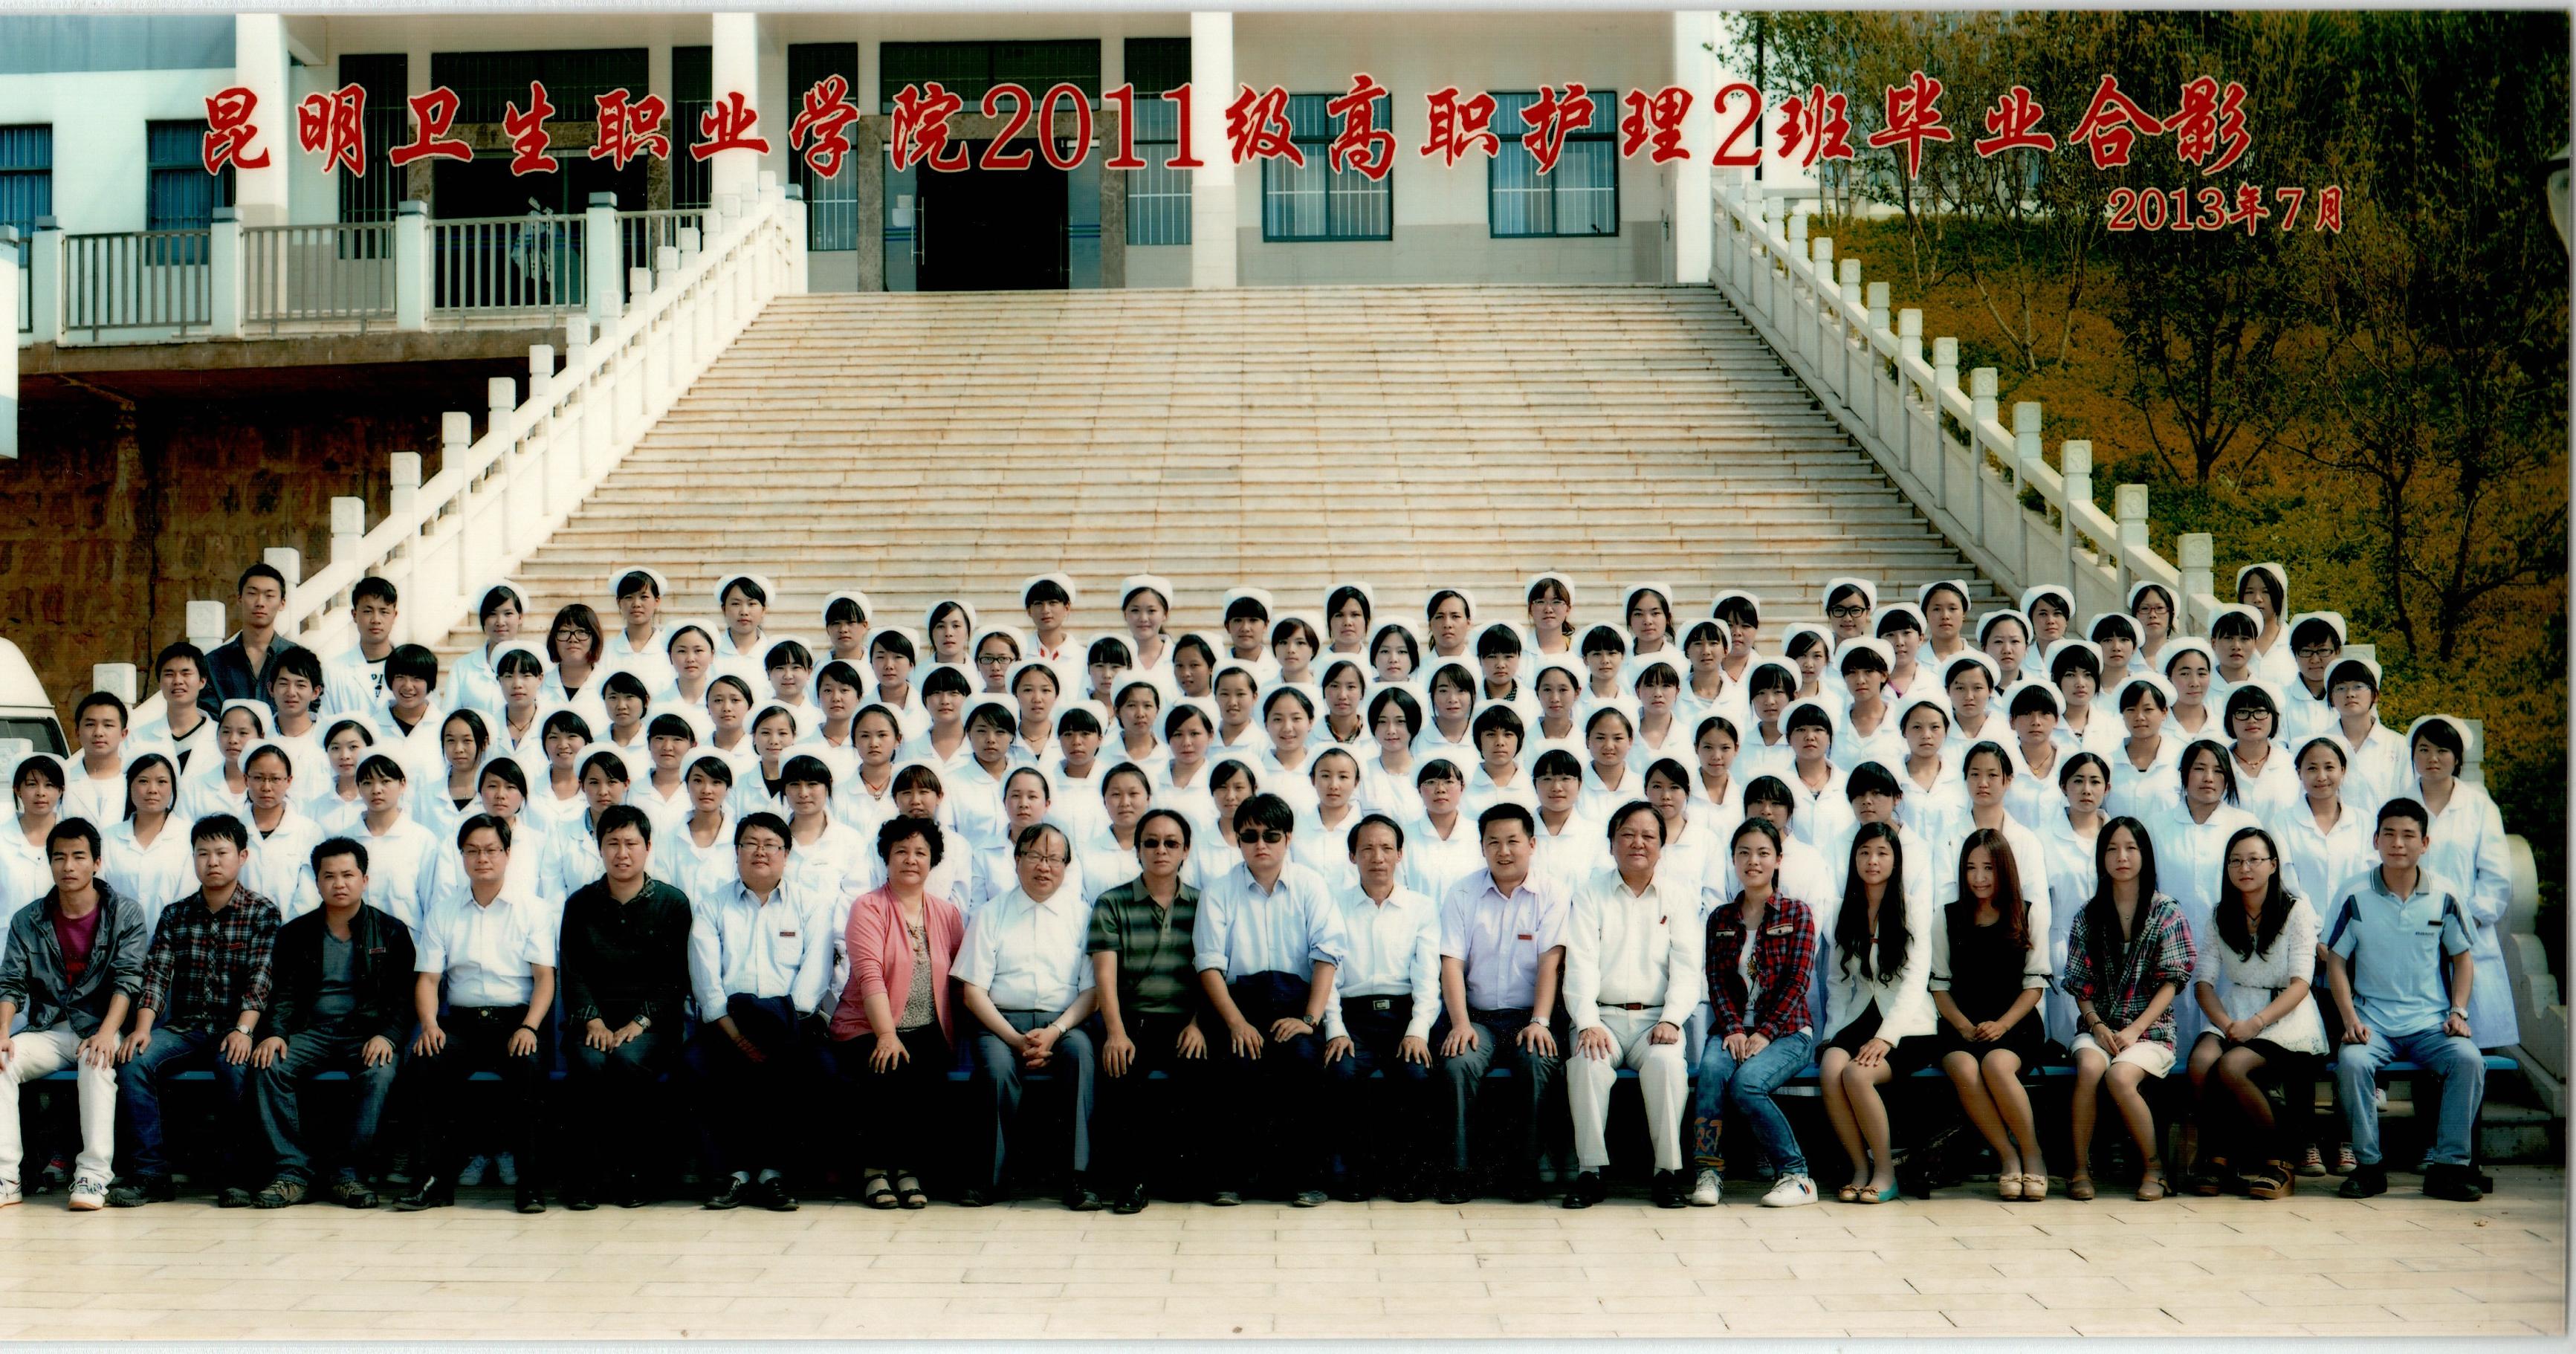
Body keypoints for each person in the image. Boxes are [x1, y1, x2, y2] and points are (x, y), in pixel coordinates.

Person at [109, 813, 281, 1208]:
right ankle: (151, 1175)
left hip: (235, 1028)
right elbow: (156, 974)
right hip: (186, 1028)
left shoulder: (262, 912)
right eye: (203, 853)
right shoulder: (177, 914)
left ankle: (237, 1177)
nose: (212, 862)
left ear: (242, 856)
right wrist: (143, 1028)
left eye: (221, 853)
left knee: (235, 1065)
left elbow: (261, 978)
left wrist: (244, 1030)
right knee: (135, 1060)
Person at [2324, 799, 2486, 1202]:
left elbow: (2463, 959)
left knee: (2469, 1060)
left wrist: (2458, 1012)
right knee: (2353, 1063)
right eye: (2390, 834)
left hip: (2431, 1023)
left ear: (2425, 843)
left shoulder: (2445, 894)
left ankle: (2450, 1168)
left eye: (2409, 835)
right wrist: (2350, 1019)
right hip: (2372, 1022)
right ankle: (2369, 1167)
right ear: (2375, 840)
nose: (2398, 843)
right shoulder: (2354, 893)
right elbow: (2336, 961)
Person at [1193, 792, 1346, 1207]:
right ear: (1237, 840)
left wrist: (1309, 1020)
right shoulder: (1219, 891)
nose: (1260, 844)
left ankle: (1304, 1180)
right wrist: (1236, 1023)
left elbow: (1327, 956)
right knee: (1236, 1065)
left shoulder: (1311, 885)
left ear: (1288, 838)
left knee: (1303, 1062)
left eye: (1271, 835)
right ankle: (1233, 1179)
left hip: (1295, 1006)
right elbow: (1209, 966)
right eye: (1250, 836)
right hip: (1238, 1006)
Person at [396, 812, 554, 1214]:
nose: (482, 859)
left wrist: (530, 1026)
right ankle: (432, 1182)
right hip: (462, 1023)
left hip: (517, 1021)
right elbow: (428, 979)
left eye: (491, 850)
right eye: (472, 851)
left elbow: (544, 979)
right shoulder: (444, 911)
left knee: (530, 1069)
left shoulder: (533, 909)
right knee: (425, 1063)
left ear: (507, 854)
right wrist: (429, 1025)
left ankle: (531, 1185)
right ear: (461, 856)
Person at [245, 837, 414, 1210]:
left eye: (348, 875)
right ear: (317, 882)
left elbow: (403, 998)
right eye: (329, 876)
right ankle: (292, 1173)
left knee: (380, 1073)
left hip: (365, 1034)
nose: (339, 884)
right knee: (268, 1065)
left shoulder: (391, 931)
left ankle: (348, 1175)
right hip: (310, 1032)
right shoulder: (296, 933)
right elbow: (283, 993)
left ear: (364, 880)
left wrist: (387, 1036)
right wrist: (275, 1033)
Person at [682, 812, 829, 1213]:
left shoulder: (811, 905)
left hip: (789, 1024)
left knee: (817, 1071)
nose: (760, 852)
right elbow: (706, 981)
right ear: (736, 852)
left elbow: (813, 978)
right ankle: (732, 1173)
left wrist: (780, 1030)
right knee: (695, 1066)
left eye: (770, 845)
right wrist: (735, 1035)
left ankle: (775, 1173)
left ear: (787, 854)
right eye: (750, 843)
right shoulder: (713, 906)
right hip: (727, 1025)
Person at [0, 820, 147, 1211]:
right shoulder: (28, 919)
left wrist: (107, 1033)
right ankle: (6, 1177)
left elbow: (128, 980)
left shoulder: (124, 913)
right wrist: (2, 1032)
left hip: (102, 1025)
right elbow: (11, 982)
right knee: (1, 1060)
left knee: (97, 1060)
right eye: (59, 857)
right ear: (49, 863)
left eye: (79, 856)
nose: (68, 866)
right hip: (50, 1028)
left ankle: (93, 1176)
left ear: (97, 862)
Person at [1563, 802, 1703, 1209]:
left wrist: (1672, 1020)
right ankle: (1590, 1172)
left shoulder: (1678, 897)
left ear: (1662, 845)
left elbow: (1687, 968)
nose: (1637, 843)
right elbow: (1580, 964)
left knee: (1666, 1065)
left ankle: (1666, 1173)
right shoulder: (1590, 894)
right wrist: (1587, 1022)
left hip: (1656, 1019)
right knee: (1587, 1065)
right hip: (1601, 1016)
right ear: (1612, 843)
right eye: (1627, 834)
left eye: (1648, 836)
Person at [956, 822, 1102, 1210]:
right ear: (1017, 859)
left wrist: (1054, 1031)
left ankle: (1078, 1178)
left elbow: (1092, 992)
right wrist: (1015, 1039)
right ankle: (990, 1180)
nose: (1044, 866)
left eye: (1054, 858)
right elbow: (973, 991)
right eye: (1035, 856)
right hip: (1000, 1023)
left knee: (1081, 1056)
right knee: (995, 1069)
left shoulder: (1083, 916)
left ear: (1067, 866)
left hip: (1064, 1023)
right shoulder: (990, 914)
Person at [557, 804, 693, 1209]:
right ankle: (586, 1178)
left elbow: (676, 977)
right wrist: (594, 1020)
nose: (622, 853)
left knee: (628, 1062)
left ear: (648, 847)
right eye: (612, 843)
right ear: (599, 848)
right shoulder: (580, 904)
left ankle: (633, 1173)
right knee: (590, 1062)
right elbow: (573, 972)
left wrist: (641, 1021)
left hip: (652, 1024)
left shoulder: (672, 903)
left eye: (631, 843)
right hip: (592, 1021)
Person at [1434, 803, 1567, 1205]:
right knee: (1459, 1062)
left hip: (1531, 1016)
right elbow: (1451, 964)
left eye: (1513, 841)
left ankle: (1527, 1170)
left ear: (1532, 844)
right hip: (1478, 1018)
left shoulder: (1552, 893)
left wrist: (1540, 1021)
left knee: (1538, 1060)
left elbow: (1551, 963)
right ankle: (1459, 1171)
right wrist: (1460, 1024)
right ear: (1482, 847)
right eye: (1493, 842)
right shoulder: (1462, 893)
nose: (1503, 851)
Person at [2186, 826, 2328, 1201]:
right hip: (2235, 1011)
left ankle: (2281, 1161)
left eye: (2254, 859)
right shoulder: (2221, 914)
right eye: (2235, 861)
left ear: (2273, 865)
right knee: (2201, 1062)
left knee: (2232, 1067)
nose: (2244, 868)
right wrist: (2227, 1023)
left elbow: (2301, 982)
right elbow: (2203, 982)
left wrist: (2257, 1023)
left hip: (2286, 1015)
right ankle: (2218, 1158)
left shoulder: (2296, 910)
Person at [830, 817, 964, 1211]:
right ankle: (875, 1171)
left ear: (933, 861)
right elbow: (869, 975)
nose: (911, 860)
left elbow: (958, 977)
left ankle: (907, 1170)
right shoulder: (868, 907)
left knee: (927, 1073)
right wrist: (887, 1034)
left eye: (920, 852)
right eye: (901, 851)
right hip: (867, 1027)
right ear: (886, 858)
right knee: (888, 1067)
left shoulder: (947, 914)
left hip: (927, 1028)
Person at [2063, 817, 2198, 1202]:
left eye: (2130, 848)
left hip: (2151, 1031)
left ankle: (2154, 1169)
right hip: (2099, 1027)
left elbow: (2173, 981)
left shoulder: (2166, 911)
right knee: (2091, 1068)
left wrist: (2135, 1029)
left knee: (2120, 1076)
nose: (2121, 857)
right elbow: (2079, 983)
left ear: (2145, 855)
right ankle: (2079, 1169)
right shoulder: (2088, 914)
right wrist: (2097, 1025)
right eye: (2111, 849)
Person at [1689, 817, 1820, 1208]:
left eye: (1763, 853)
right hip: (1732, 1031)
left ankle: (1797, 1176)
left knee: (1746, 1083)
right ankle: (1708, 1172)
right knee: (1712, 1073)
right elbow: (1716, 981)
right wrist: (1732, 1028)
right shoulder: (1721, 918)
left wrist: (1764, 1032)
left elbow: (1798, 981)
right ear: (1733, 859)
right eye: (1744, 853)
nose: (1753, 861)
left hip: (1788, 1033)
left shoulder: (1797, 913)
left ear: (1778, 859)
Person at [1087, 809, 1211, 1214]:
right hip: (1131, 1021)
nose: (1161, 850)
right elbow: (1105, 977)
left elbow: (1211, 972)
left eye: (1171, 843)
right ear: (1137, 849)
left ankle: (1183, 1176)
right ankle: (1132, 1182)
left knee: (1200, 1076)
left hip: (1186, 1022)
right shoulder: (1112, 903)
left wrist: (1197, 1023)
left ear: (1185, 850)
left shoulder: (1204, 904)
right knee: (1122, 1080)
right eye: (1151, 843)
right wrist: (1115, 1032)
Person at [1321, 813, 1441, 1204]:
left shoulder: (1421, 908)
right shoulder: (1334, 905)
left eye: (1387, 848)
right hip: (1352, 1018)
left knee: (1416, 1074)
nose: (1378, 857)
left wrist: (1417, 1031)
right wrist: (1336, 1028)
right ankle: (1354, 1174)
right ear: (1352, 856)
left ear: (1400, 854)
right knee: (1341, 1071)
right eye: (1367, 849)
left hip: (1403, 1016)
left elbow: (1428, 978)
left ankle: (1407, 1173)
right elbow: (1329, 976)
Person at [1927, 827, 2051, 1203]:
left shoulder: (2027, 913)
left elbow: (2035, 984)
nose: (1979, 877)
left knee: (1997, 1065)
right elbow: (1939, 985)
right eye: (1971, 868)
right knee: (1965, 1067)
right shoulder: (1947, 916)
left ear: (2004, 869)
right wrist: (1964, 1026)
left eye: (1988, 868)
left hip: (2015, 1023)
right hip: (1961, 1024)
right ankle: (2008, 1157)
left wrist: (2003, 1025)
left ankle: (2033, 1155)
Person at [1816, 821, 1935, 1205]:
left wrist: (1886, 1037)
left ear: (1896, 861)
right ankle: (1859, 1168)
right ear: (1854, 859)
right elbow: (1837, 982)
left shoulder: (1913, 907)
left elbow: (1916, 980)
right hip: (1860, 1015)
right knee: (1831, 1068)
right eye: (1865, 852)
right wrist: (1831, 1035)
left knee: (1857, 1074)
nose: (1873, 861)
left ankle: (1884, 1172)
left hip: (1909, 1024)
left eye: (1883, 853)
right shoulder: (1844, 908)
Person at [2405, 716, 2517, 1053]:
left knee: (2471, 1038)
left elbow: (2496, 873)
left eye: (2443, 750)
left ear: (2457, 758)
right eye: (2424, 750)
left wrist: (2471, 919)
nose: (2433, 758)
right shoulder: (2400, 804)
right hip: (2411, 928)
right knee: (2420, 1038)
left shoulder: (2479, 806)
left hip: (2469, 927)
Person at [206, 563, 302, 707]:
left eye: (269, 596)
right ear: (239, 598)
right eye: (252, 594)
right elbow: (209, 714)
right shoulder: (213, 663)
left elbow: (310, 710)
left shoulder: (299, 660)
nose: (260, 603)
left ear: (282, 603)